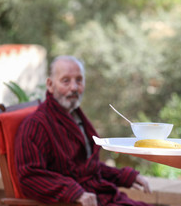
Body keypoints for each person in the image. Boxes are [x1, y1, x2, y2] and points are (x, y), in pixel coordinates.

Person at [15, 55, 153, 206]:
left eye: (79, 80)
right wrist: (74, 193)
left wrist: (125, 176)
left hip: (102, 196)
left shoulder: (75, 117)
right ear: (50, 84)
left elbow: (86, 169)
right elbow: (29, 177)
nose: (74, 87)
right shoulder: (36, 125)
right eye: (65, 81)